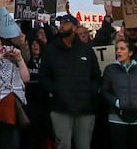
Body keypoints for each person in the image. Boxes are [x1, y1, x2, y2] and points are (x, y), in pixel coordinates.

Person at [39, 12, 101, 149]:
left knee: (84, 145)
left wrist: (91, 93)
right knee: (63, 145)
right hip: (61, 107)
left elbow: (96, 75)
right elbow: (43, 75)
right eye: (61, 23)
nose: (62, 26)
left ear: (74, 27)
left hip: (85, 109)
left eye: (65, 23)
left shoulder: (86, 50)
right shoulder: (51, 50)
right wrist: (53, 90)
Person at [102, 37, 137, 149]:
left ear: (130, 52)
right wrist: (117, 102)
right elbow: (105, 91)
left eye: (122, 48)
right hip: (117, 117)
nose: (118, 51)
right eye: (117, 49)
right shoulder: (110, 69)